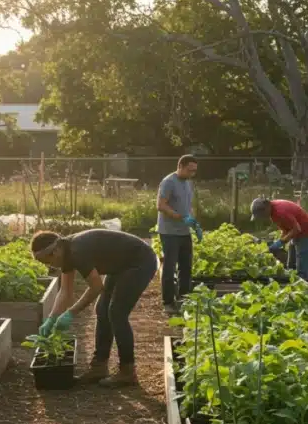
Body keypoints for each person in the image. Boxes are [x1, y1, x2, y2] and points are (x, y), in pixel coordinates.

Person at [31, 228, 158, 387]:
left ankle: (128, 371)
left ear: (55, 251)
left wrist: (71, 313)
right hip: (121, 265)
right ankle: (99, 366)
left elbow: (96, 287)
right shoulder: (66, 252)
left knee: (117, 313)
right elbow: (65, 291)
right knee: (102, 310)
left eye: (47, 262)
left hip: (140, 262)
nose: (49, 266)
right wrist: (51, 318)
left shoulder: (77, 251)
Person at [157, 154, 201, 315]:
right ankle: (168, 302)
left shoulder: (188, 183)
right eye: (189, 170)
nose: (192, 174)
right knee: (169, 267)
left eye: (194, 171)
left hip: (184, 232)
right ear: (180, 166)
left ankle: (183, 299)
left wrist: (194, 222)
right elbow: (161, 205)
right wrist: (180, 217)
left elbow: (188, 206)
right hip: (169, 232)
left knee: (186, 267)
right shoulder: (168, 182)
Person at [249, 198, 308, 282]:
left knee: (302, 268)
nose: (262, 217)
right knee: (291, 265)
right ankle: (294, 283)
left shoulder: (280, 211)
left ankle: (305, 285)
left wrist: (281, 242)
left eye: (261, 215)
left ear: (266, 209)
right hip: (296, 235)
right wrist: (278, 242)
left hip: (307, 234)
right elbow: (285, 230)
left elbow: (297, 229)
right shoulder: (273, 212)